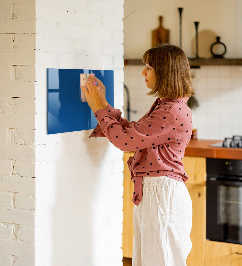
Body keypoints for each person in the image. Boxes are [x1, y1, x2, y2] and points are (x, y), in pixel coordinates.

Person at [82, 44, 194, 266]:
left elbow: (125, 141)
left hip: (162, 195)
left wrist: (97, 107)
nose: (143, 72)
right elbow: (133, 133)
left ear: (165, 72)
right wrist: (103, 103)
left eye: (149, 67)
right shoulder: (167, 106)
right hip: (157, 193)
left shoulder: (171, 111)